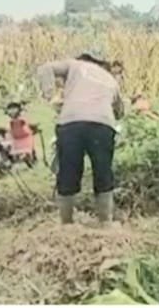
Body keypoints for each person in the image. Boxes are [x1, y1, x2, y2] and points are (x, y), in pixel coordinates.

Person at [37, 48, 123, 225]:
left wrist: (50, 95)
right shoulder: (111, 80)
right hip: (102, 124)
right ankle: (105, 222)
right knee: (103, 172)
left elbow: (45, 69)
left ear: (83, 58)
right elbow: (120, 111)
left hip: (71, 122)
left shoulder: (74, 65)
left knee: (68, 173)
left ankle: (67, 223)